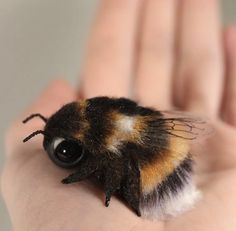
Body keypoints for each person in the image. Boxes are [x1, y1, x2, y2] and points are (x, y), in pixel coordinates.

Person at [2, 0, 236, 230]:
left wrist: (79, 182)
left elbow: (112, 161)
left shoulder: (106, 137)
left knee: (117, 154)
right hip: (167, 154)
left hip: (164, 176)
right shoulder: (104, 121)